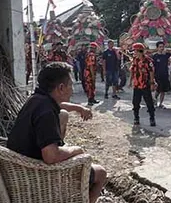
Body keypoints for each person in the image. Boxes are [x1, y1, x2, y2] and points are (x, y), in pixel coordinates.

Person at [7, 62, 107, 203]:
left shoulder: (37, 100)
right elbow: (50, 156)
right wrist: (75, 150)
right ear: (61, 88)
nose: (72, 90)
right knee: (101, 173)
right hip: (40, 173)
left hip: (21, 168)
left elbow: (60, 105)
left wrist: (79, 109)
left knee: (63, 114)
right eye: (71, 85)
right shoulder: (46, 112)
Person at [130, 43, 157, 126]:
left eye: (135, 51)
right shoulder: (135, 60)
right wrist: (131, 81)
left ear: (140, 51)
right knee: (135, 103)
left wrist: (152, 83)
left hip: (145, 84)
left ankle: (152, 118)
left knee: (149, 103)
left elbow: (152, 72)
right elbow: (132, 70)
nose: (134, 53)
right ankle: (136, 118)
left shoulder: (148, 61)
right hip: (137, 85)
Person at [152, 41, 171, 109]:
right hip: (157, 75)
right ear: (157, 48)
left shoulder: (166, 55)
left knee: (163, 91)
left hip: (165, 75)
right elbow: (152, 67)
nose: (161, 48)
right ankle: (154, 100)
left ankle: (161, 103)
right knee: (158, 90)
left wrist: (167, 49)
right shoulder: (155, 56)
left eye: (162, 47)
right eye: (160, 47)